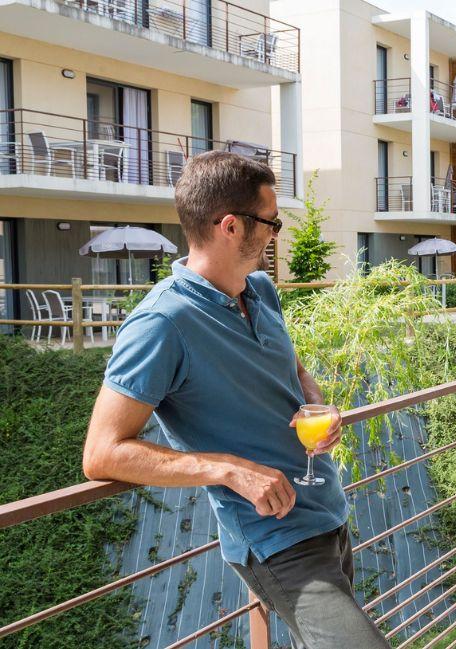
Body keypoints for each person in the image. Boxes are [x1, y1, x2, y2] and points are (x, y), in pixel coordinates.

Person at [82, 151, 390, 649]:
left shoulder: (262, 289)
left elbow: (293, 368)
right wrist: (228, 469)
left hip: (328, 512)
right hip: (274, 537)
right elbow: (102, 453)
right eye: (271, 222)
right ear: (230, 226)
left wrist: (317, 405)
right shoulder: (161, 323)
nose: (274, 234)